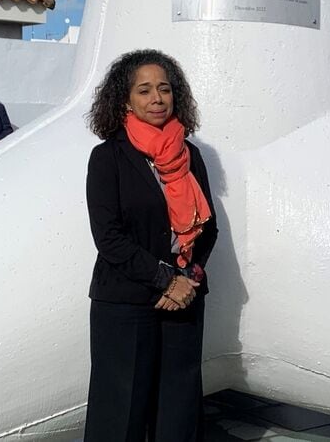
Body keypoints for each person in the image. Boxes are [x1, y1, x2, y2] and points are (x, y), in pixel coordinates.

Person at [83, 49, 218, 442]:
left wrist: (187, 279)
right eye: (144, 91)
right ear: (125, 100)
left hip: (184, 300)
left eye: (164, 89)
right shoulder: (107, 157)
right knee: (120, 412)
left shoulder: (190, 155)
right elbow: (108, 237)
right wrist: (165, 280)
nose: (157, 98)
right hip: (125, 302)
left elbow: (208, 229)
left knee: (178, 409)